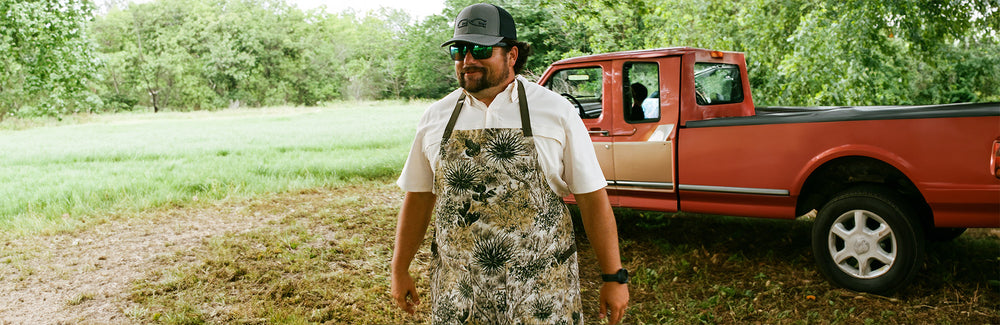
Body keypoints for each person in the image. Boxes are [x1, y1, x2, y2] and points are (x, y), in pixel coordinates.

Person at [390, 3, 629, 324]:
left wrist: (613, 278)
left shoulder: (555, 111)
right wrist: (399, 268)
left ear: (512, 54)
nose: (467, 60)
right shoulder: (435, 117)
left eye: (480, 49)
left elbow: (592, 198)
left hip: (542, 294)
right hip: (460, 293)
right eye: (459, 51)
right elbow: (419, 198)